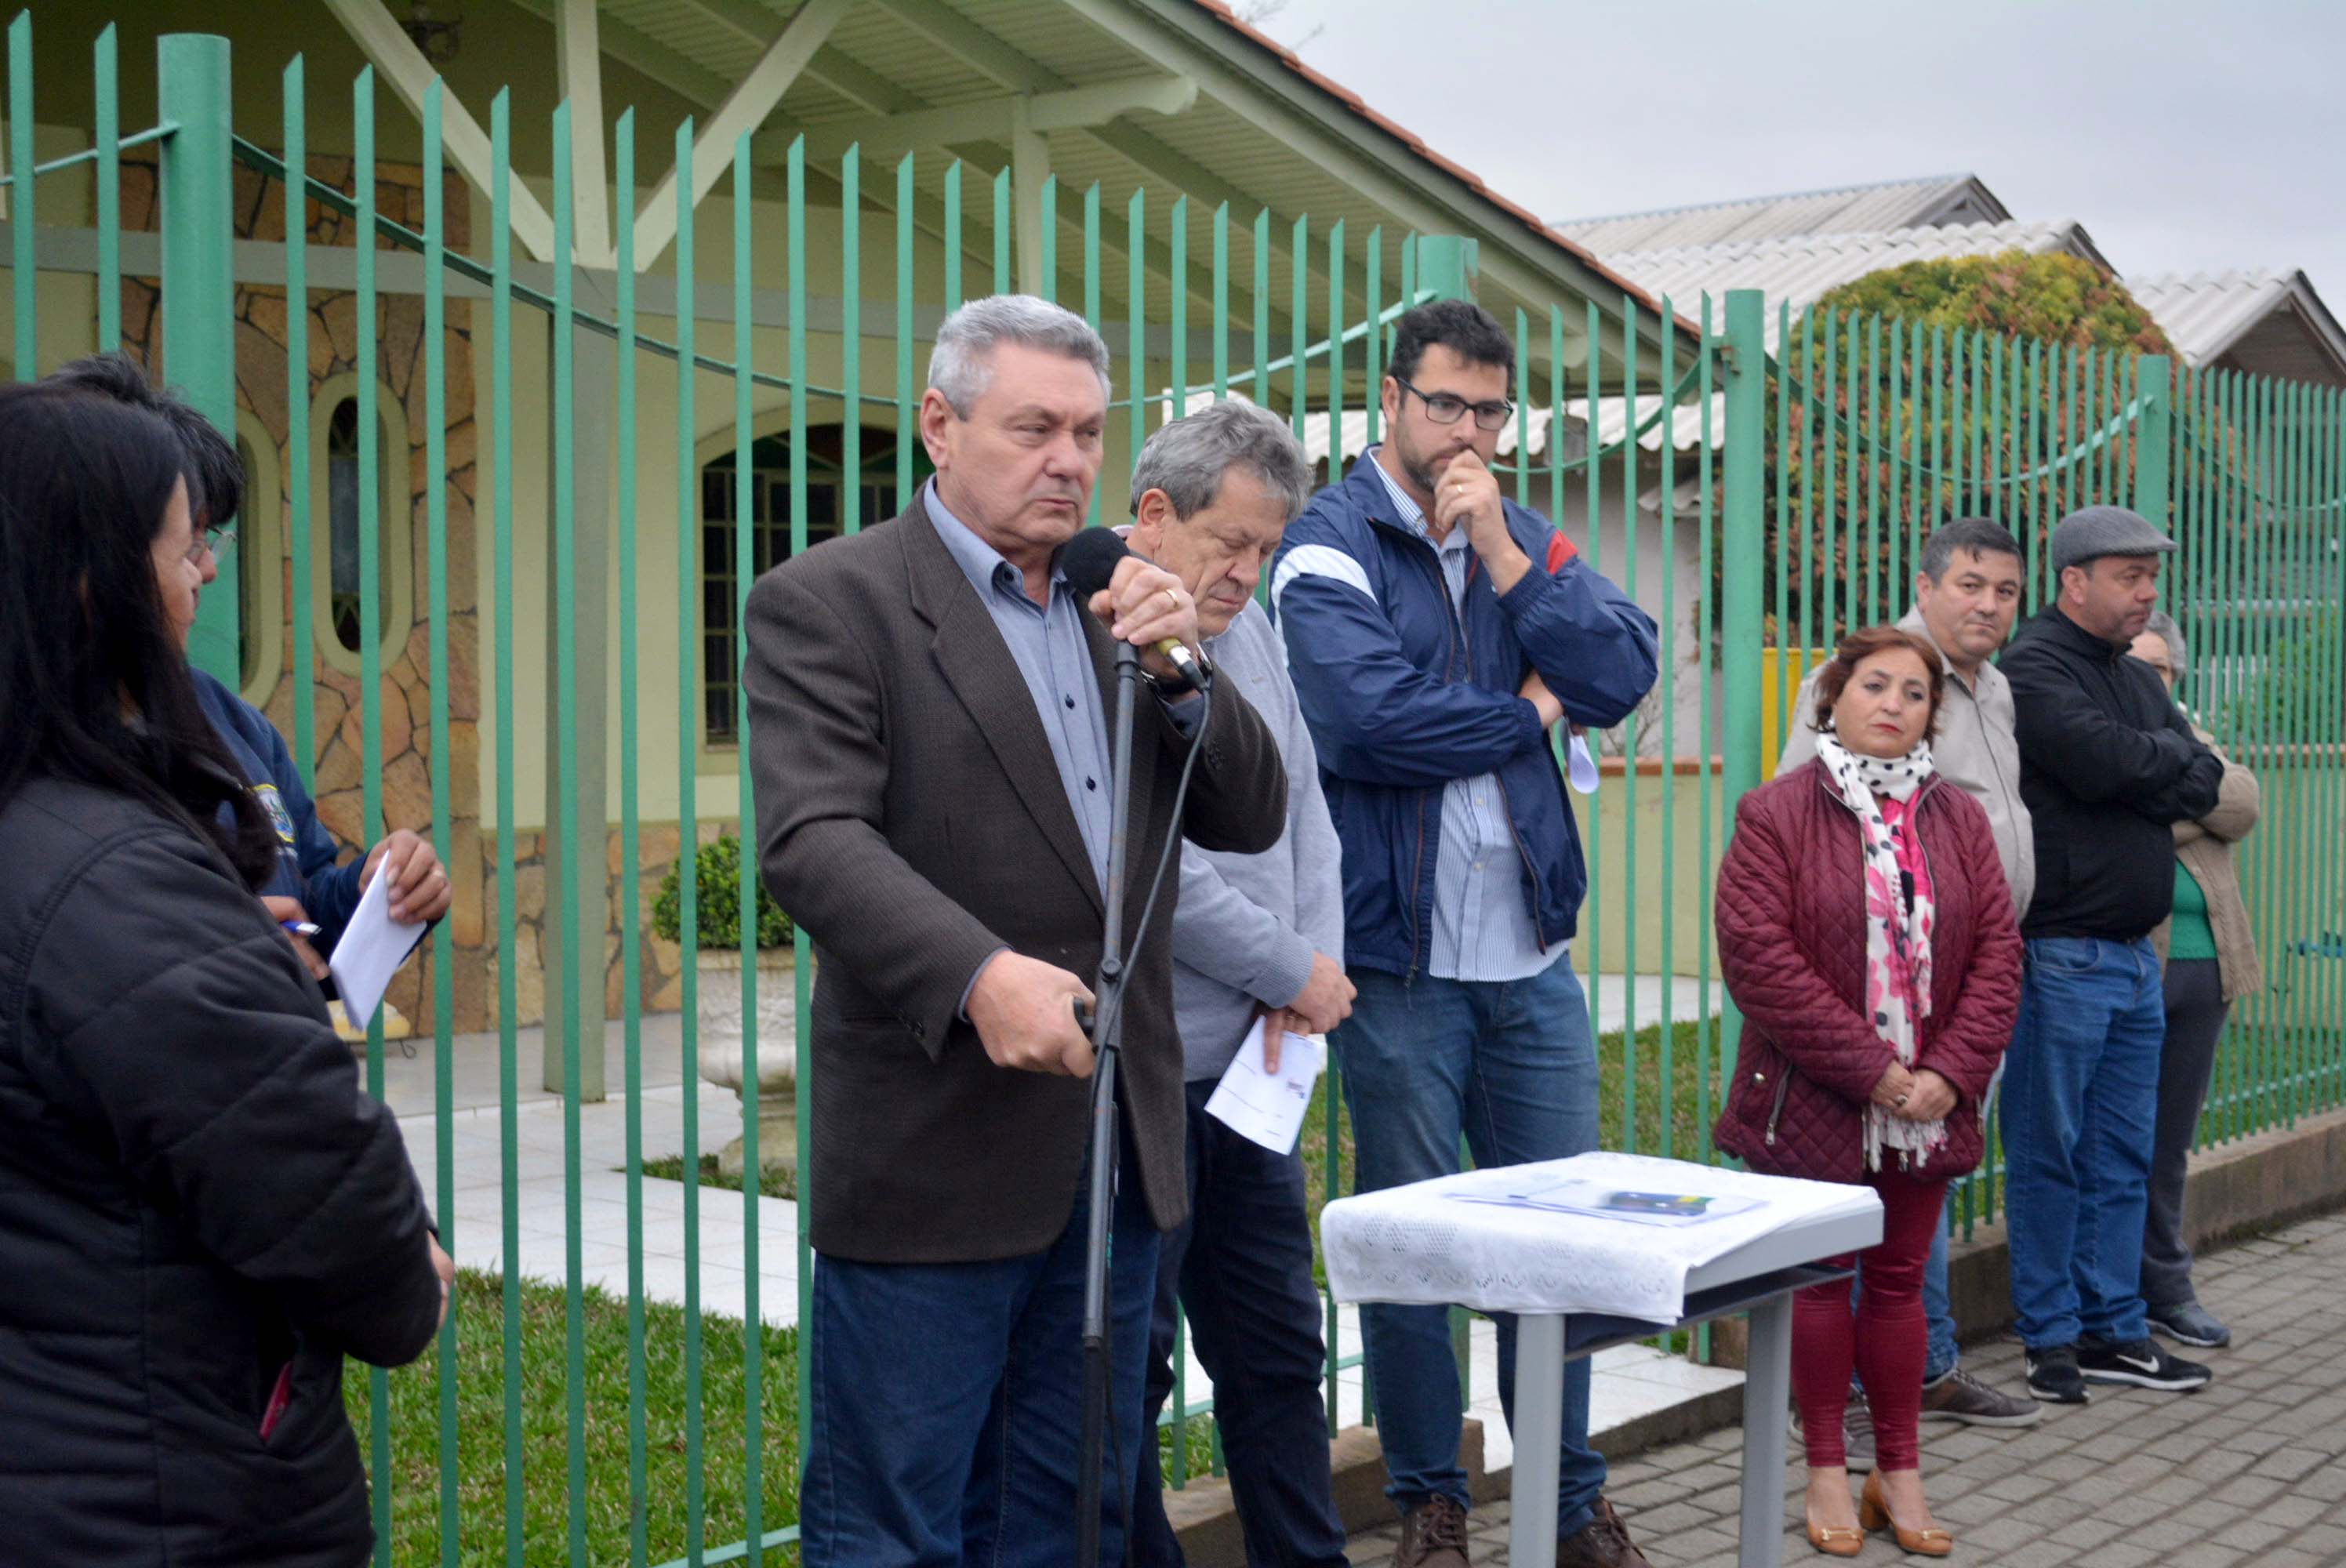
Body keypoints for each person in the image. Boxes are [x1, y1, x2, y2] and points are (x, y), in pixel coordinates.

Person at [745, 296, 1288, 1568]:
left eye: (1089, 433)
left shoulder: (1122, 596)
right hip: (939, 1148)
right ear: (939, 425)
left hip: (1118, 1153)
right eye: (1032, 426)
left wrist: (1180, 664)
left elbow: (1248, 812)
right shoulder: (833, 602)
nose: (1068, 460)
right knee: (897, 1523)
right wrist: (980, 975)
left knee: (1067, 1518)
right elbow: (814, 841)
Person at [0, 372, 452, 1566]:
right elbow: (302, 1163)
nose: (202, 577)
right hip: (155, 1484)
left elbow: (302, 890)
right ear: (93, 579)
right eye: (184, 545)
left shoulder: (136, 774)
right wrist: (405, 1272)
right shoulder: (103, 867)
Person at [1270, 299, 1659, 1568]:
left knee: (1562, 1249)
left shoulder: (1522, 534)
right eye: (1445, 404)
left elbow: (1623, 669)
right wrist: (1526, 710)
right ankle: (1429, 1499)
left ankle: (1564, 1498)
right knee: (1417, 1242)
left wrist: (1499, 550)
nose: (1467, 431)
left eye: (1490, 411)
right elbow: (1367, 725)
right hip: (1398, 971)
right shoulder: (1325, 545)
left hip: (1531, 963)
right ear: (1391, 398)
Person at [1715, 626, 2023, 1559]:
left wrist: (1944, 1074)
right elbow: (1760, 963)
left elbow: (2000, 957)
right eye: (1873, 685)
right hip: (1818, 1095)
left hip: (1925, 1106)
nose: (1893, 703)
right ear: (1831, 699)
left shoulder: (1959, 818)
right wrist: (1877, 1071)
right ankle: (1821, 1470)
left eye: (1915, 692)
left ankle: (1899, 1471)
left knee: (1896, 1286)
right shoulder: (1773, 813)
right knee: (1821, 1287)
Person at [1118, 401, 1354, 1568]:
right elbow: (1157, 867)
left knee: (1275, 1353)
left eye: (1267, 550)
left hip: (1258, 1068)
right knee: (1131, 1374)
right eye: (1232, 545)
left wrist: (1314, 971)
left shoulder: (1245, 627)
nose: (1248, 575)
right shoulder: (1107, 626)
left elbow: (1305, 803)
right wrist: (1286, 965)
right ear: (1156, 517)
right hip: (1149, 1075)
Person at [50, 353, 452, 983]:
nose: (207, 568)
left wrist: (375, 894)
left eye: (209, 539)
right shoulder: (41, 753)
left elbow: (306, 903)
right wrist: (226, 948)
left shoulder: (235, 725)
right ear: (103, 548)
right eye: (190, 539)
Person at [1780, 518, 2042, 1449]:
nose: (1987, 604)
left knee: (1920, 1192)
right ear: (1925, 585)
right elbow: (1798, 842)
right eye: (1970, 584)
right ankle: (1841, 1394)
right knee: (1852, 1205)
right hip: (1864, 1008)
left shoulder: (1995, 689)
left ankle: (1917, 1366)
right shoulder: (1871, 673)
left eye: (2006, 590)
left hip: (1959, 994)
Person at [1999, 506, 2225, 1404]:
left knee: (2121, 1155)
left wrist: (2159, 759)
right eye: (2129, 576)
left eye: (2150, 576)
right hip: (2062, 956)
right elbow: (2103, 766)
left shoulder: (2132, 676)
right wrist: (2159, 763)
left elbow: (2202, 770)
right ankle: (2050, 1337)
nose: (2146, 592)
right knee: (2050, 1153)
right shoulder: (2036, 666)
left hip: (2137, 960)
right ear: (2073, 581)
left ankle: (2115, 1328)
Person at [2129, 611, 2263, 1350]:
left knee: (2167, 1143)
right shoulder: (2103, 741)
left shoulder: (2190, 739)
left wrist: (2168, 801)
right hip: (2133, 967)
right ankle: (2115, 1291)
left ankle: (2168, 1288)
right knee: (2111, 1141)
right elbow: (2119, 819)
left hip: (2206, 967)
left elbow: (2242, 803)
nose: (2149, 684)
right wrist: (2190, 805)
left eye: (2162, 672)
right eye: (2135, 667)